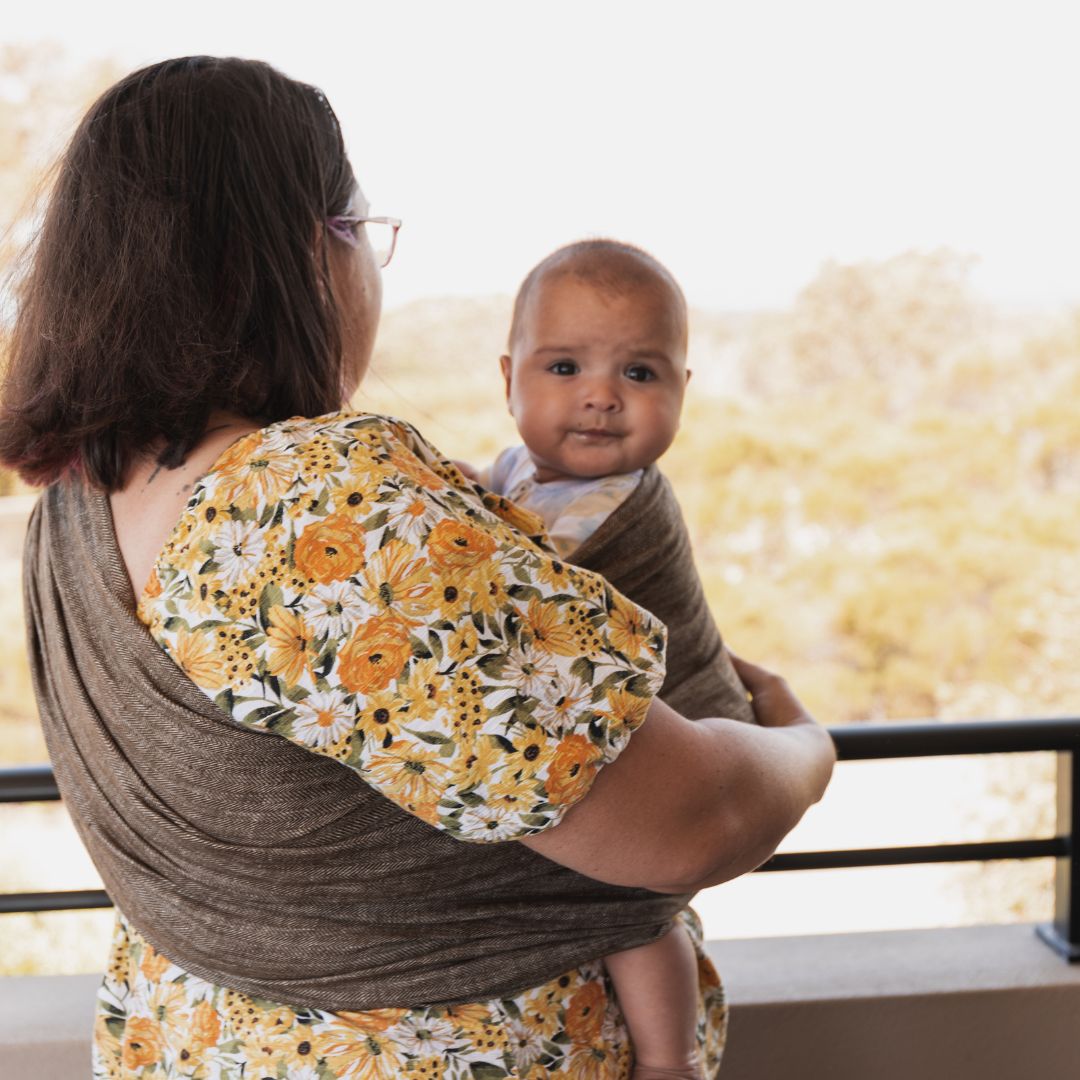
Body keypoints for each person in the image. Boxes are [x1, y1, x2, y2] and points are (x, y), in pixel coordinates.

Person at [0, 57, 836, 1080]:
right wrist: (804, 748)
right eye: (364, 233)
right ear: (306, 251)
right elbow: (685, 823)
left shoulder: (76, 502)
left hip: (198, 1041)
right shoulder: (319, 508)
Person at [477, 240, 751, 1078]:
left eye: (640, 374)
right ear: (509, 377)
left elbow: (509, 584)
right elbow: (489, 514)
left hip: (676, 739)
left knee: (631, 911)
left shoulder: (611, 505)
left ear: (681, 391)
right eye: (564, 366)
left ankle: (670, 1059)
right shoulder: (523, 471)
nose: (600, 397)